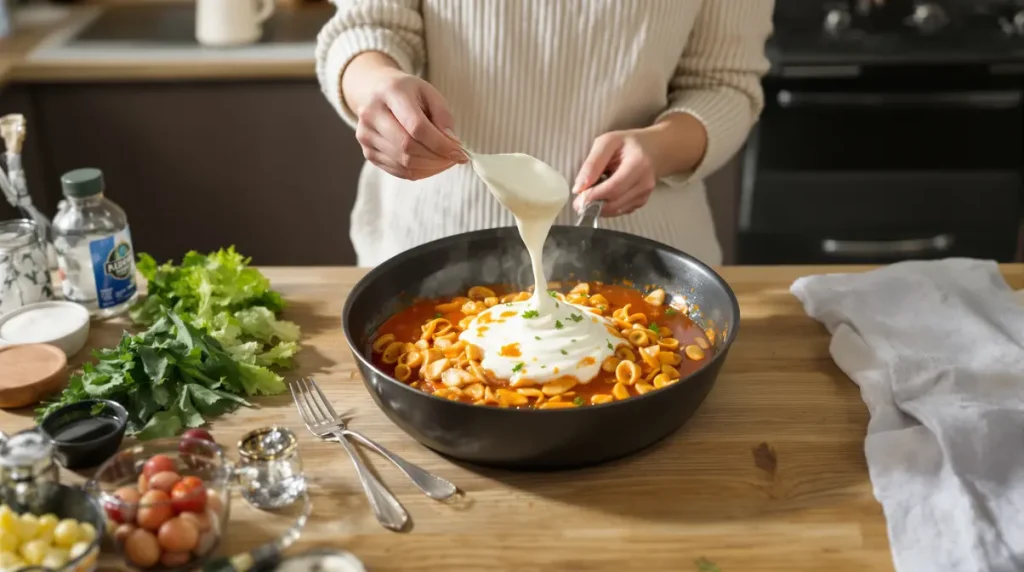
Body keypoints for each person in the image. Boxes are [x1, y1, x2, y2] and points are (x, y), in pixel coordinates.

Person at [315, 1, 773, 267]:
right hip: (430, 253)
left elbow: (724, 84)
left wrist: (659, 149)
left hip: (644, 260)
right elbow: (365, 26)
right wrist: (377, 88)